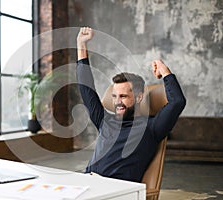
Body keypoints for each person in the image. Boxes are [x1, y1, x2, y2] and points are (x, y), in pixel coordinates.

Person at [76, 27, 186, 182]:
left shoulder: (151, 127)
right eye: (114, 96)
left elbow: (177, 102)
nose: (117, 102)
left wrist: (165, 71)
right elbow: (85, 87)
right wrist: (81, 45)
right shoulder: (104, 120)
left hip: (117, 191)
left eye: (123, 96)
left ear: (139, 97)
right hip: (87, 182)